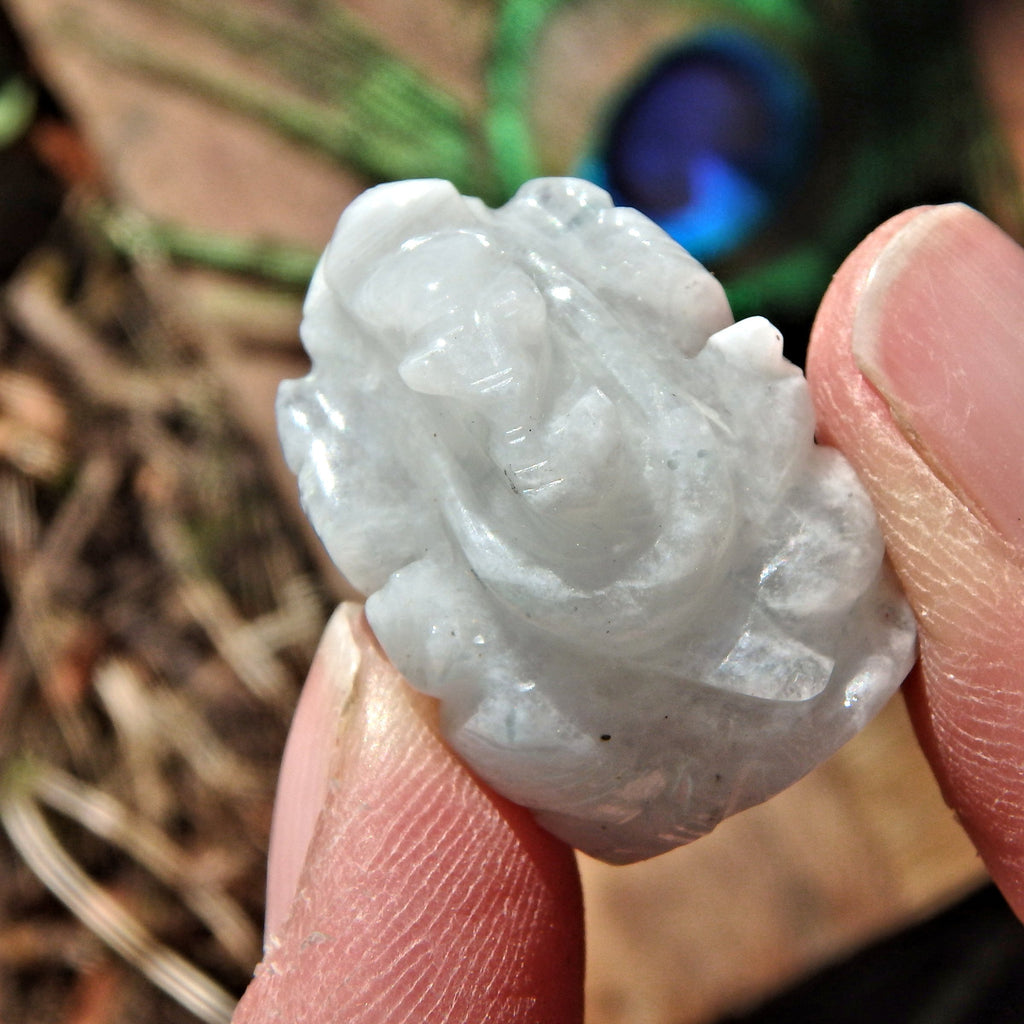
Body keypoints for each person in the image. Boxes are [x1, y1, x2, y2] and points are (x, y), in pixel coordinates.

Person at [231, 202, 1024, 1023]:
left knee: (833, 547)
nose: (477, 356)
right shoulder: (394, 460)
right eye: (433, 347)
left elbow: (731, 390)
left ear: (529, 294)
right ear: (410, 372)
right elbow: (415, 577)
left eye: (490, 309)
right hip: (588, 677)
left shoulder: (606, 314)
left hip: (750, 564)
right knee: (533, 731)